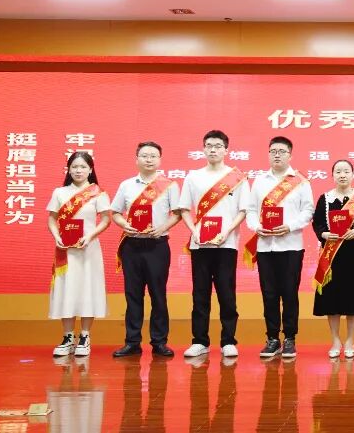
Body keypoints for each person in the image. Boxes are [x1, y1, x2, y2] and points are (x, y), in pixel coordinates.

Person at [178, 130, 251, 358]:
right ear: (203, 149)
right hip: (200, 244)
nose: (213, 149)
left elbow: (243, 210)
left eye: (218, 146)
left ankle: (228, 340)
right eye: (209, 145)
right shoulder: (193, 177)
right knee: (200, 294)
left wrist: (227, 232)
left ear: (226, 150)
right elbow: (184, 209)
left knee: (226, 294)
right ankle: (200, 341)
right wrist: (194, 231)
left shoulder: (237, 177)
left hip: (226, 244)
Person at [110, 141, 181, 358]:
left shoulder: (169, 185)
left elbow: (178, 213)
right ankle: (132, 342)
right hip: (132, 245)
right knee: (133, 295)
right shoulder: (126, 185)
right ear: (136, 159)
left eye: (153, 156)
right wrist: (124, 224)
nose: (148, 159)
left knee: (158, 295)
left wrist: (162, 228)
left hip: (157, 245)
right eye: (144, 155)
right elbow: (115, 212)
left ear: (160, 160)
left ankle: (159, 342)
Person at [245, 136, 314, 359]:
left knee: (290, 293)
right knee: (269, 294)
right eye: (273, 151)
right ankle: (272, 338)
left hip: (291, 245)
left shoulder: (301, 181)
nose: (277, 155)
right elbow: (251, 210)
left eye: (282, 151)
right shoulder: (259, 181)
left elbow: (308, 211)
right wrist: (256, 227)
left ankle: (290, 338)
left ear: (290, 155)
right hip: (265, 246)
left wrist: (290, 226)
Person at [47, 151, 111, 357]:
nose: (78, 170)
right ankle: (67, 337)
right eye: (74, 167)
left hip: (88, 249)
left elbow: (106, 219)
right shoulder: (59, 192)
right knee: (66, 289)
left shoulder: (98, 193)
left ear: (90, 169)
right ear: (68, 169)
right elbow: (52, 218)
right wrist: (56, 236)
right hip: (65, 251)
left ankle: (85, 336)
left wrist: (90, 235)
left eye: (83, 167)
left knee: (87, 289)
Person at [312, 159, 354, 359]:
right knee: (332, 299)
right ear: (332, 175)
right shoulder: (325, 198)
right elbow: (317, 223)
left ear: (353, 174)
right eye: (338, 171)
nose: (342, 175)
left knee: (353, 298)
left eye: (346, 171)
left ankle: (350, 340)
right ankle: (335, 340)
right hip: (331, 254)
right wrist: (323, 234)